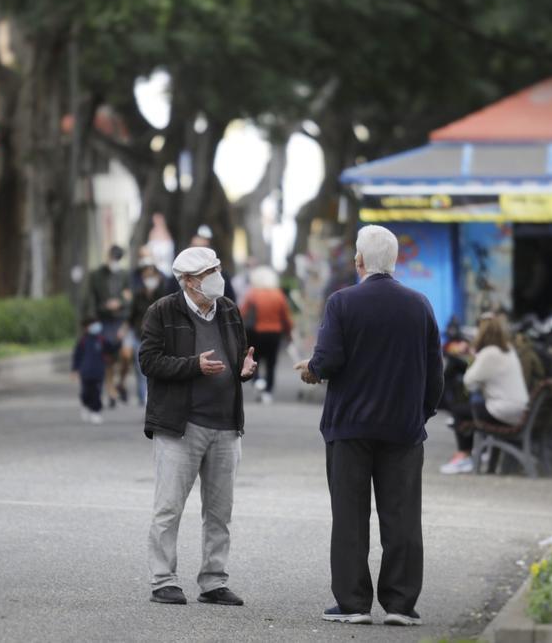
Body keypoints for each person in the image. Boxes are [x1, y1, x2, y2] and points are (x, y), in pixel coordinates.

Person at [294, 225, 443, 627]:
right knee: (403, 518)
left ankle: (353, 604)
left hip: (350, 428)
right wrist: (421, 413)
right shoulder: (420, 305)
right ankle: (400, 604)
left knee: (350, 517)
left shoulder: (342, 302)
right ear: (395, 262)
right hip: (403, 429)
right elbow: (436, 374)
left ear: (359, 261)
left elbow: (327, 360)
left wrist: (311, 370)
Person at [140, 246, 258, 607]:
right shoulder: (162, 311)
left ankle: (213, 581)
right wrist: (193, 366)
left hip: (225, 425)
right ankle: (163, 580)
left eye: (218, 268)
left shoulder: (227, 309)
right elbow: (149, 361)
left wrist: (245, 369)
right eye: (210, 271)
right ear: (189, 281)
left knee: (220, 511)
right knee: (169, 507)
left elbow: (236, 358)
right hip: (181, 425)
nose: (217, 276)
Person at [439, 313, 530, 475]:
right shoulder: (508, 350)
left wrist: (475, 358)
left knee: (459, 411)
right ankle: (472, 452)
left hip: (503, 411)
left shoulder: (489, 353)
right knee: (471, 408)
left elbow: (468, 381)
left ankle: (464, 456)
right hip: (519, 409)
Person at [84, 245, 132, 406]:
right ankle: (110, 390)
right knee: (108, 358)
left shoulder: (125, 275)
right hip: (104, 320)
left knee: (126, 354)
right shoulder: (96, 275)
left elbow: (130, 297)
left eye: (117, 258)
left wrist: (120, 303)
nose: (114, 261)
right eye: (112, 257)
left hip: (122, 319)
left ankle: (121, 382)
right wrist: (93, 319)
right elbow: (90, 299)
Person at [239, 266, 294, 404]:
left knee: (254, 359)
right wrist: (288, 333)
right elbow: (286, 318)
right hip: (274, 334)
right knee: (271, 363)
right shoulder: (278, 295)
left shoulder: (252, 294)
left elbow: (242, 313)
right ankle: (268, 390)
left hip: (255, 333)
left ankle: (257, 382)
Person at [128, 258, 172, 406]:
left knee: (158, 368)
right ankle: (144, 398)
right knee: (140, 367)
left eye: (152, 276)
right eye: (146, 277)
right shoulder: (138, 295)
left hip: (159, 337)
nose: (149, 280)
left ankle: (155, 397)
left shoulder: (164, 296)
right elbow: (131, 315)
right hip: (139, 336)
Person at [73, 318, 117, 425]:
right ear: (86, 327)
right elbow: (77, 356)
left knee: (97, 392)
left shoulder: (102, 339)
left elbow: (112, 349)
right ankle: (85, 404)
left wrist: (118, 341)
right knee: (86, 392)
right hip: (85, 372)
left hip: (99, 371)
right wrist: (75, 369)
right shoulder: (83, 341)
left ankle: (96, 411)